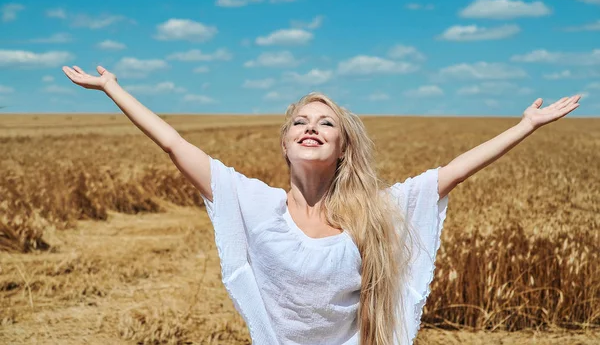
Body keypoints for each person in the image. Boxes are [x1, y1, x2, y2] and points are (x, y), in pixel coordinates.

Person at [62, 65, 581, 345]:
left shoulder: (375, 211)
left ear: (343, 146)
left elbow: (454, 173)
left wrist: (523, 127)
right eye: (300, 123)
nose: (312, 127)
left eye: (326, 122)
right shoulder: (254, 203)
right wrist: (113, 88)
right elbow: (175, 144)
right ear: (285, 143)